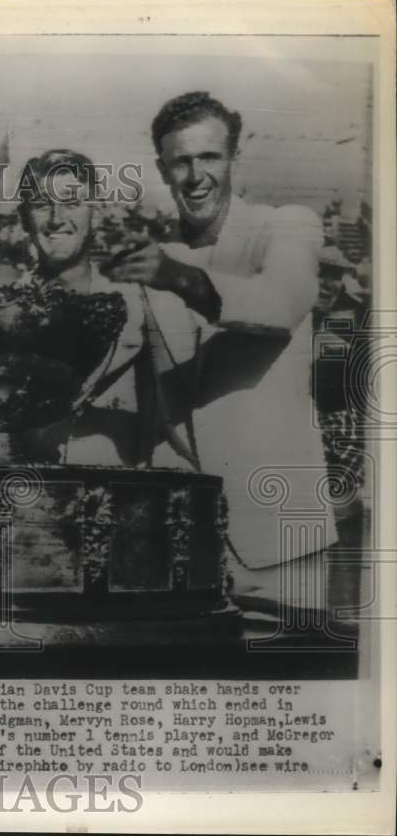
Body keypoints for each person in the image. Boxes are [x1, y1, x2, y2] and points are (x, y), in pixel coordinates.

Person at [106, 91, 332, 576]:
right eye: (180, 162)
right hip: (180, 539)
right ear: (162, 169)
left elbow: (279, 305)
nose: (195, 176)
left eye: (209, 156)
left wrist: (179, 278)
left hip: (282, 536)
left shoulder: (287, 227)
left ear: (234, 158)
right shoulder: (156, 257)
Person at [0, 149, 202, 467]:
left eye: (72, 202)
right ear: (24, 218)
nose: (56, 218)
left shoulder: (138, 310)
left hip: (113, 504)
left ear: (96, 213)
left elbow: (173, 432)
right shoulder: (0, 311)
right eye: (40, 205)